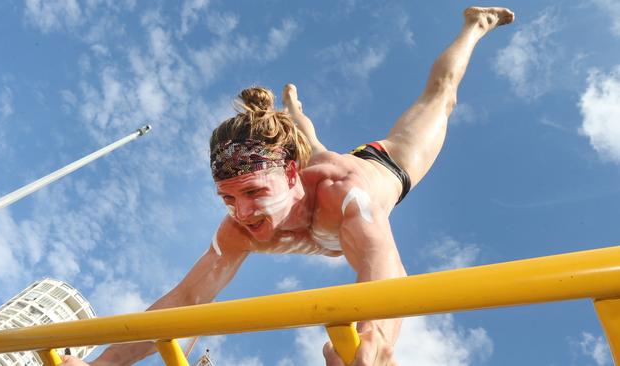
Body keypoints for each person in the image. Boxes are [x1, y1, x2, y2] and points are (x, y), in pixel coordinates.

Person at [61, 7, 514, 366]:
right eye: (227, 198)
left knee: (442, 95)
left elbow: (385, 267)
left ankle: (476, 23)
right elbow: (185, 301)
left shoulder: (346, 196)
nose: (242, 213)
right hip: (310, 165)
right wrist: (101, 364)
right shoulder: (237, 228)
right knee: (312, 146)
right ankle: (295, 116)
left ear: (289, 177)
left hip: (386, 164)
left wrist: (373, 342)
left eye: (254, 193)